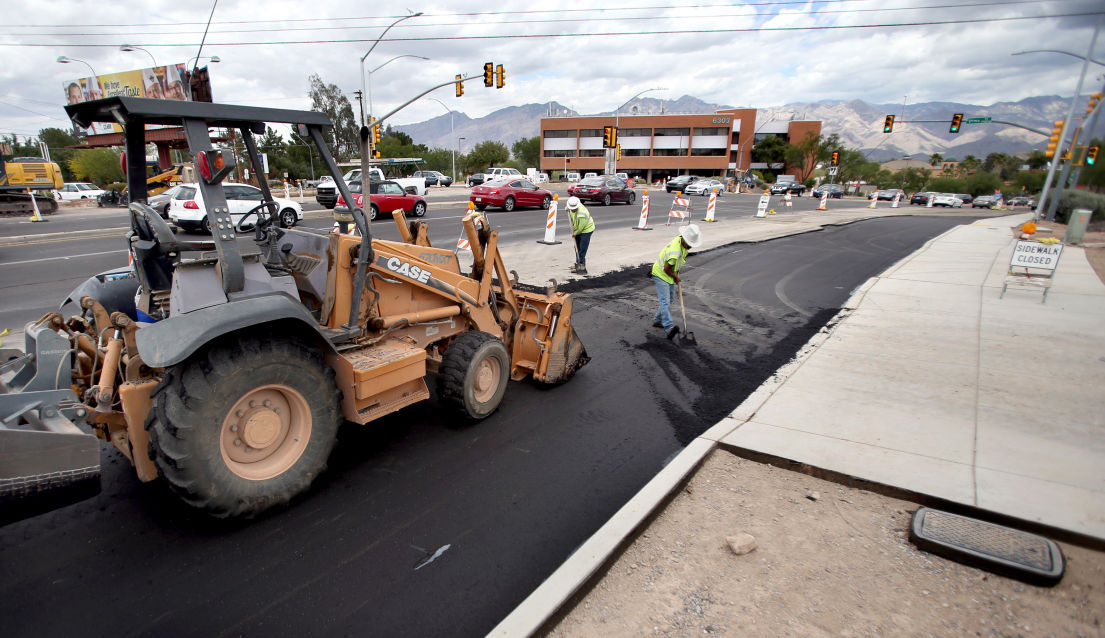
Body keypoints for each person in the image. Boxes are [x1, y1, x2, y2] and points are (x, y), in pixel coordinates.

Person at [651, 224, 702, 340]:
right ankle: (669, 328)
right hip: (661, 274)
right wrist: (676, 277)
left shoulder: (682, 243)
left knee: (670, 300)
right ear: (684, 239)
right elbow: (666, 269)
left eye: (692, 245)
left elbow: (673, 266)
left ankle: (657, 320)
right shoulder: (675, 252)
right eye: (689, 244)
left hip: (668, 275)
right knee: (665, 302)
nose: (690, 247)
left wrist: (675, 274)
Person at [565, 196, 595, 275]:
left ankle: (581, 265)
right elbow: (569, 208)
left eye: (573, 209)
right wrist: (567, 208)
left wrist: (574, 234)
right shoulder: (572, 207)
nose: (572, 210)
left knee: (582, 249)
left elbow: (580, 229)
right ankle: (577, 263)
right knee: (576, 247)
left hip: (586, 230)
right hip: (578, 229)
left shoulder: (581, 213)